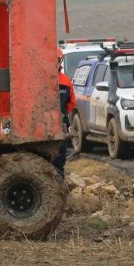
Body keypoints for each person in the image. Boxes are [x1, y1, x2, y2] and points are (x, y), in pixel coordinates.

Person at [54, 47, 76, 175]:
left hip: (57, 123)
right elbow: (71, 103)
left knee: (59, 159)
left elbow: (72, 102)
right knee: (59, 158)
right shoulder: (66, 81)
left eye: (57, 60)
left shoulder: (40, 79)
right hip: (61, 121)